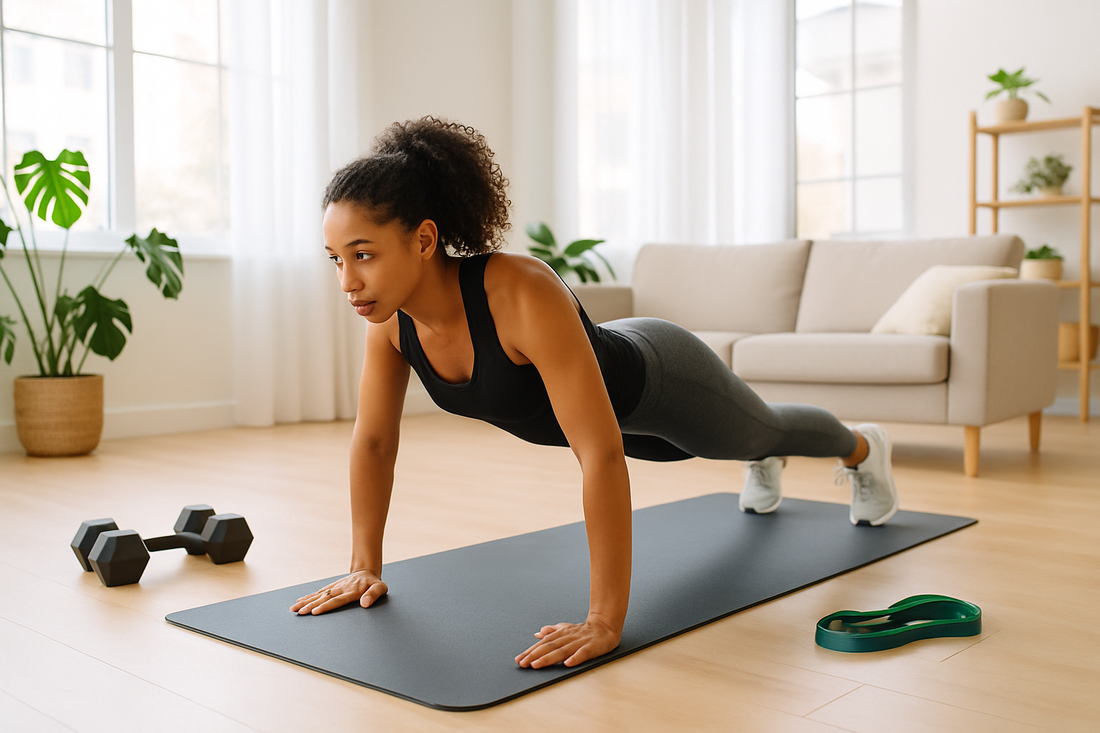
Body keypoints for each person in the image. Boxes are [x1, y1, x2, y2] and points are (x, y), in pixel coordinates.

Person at [289, 116, 900, 670]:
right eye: (335, 260)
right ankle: (760, 459)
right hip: (629, 425)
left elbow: (600, 453)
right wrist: (362, 565)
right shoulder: (391, 324)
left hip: (662, 383)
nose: (348, 281)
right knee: (735, 444)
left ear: (424, 240)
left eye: (362, 255)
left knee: (762, 429)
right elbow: (373, 442)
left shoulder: (518, 290)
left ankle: (862, 449)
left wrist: (605, 620)